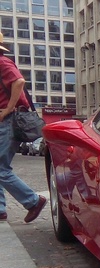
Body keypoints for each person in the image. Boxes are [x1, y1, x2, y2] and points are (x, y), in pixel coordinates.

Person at [0, 32, 47, 223]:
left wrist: (8, 109)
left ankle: (33, 201)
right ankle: (1, 210)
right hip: (7, 120)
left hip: (9, 120)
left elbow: (19, 81)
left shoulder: (2, 62)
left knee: (1, 169)